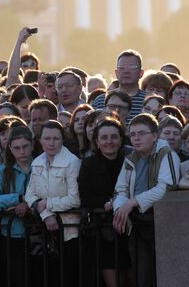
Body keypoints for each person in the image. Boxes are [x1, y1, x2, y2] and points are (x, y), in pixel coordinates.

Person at [112, 113, 180, 287]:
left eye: (141, 133)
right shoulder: (130, 159)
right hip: (138, 224)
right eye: (133, 134)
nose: (136, 138)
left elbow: (166, 187)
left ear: (155, 135)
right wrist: (121, 210)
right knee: (142, 277)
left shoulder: (167, 154)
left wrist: (132, 202)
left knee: (166, 276)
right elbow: (120, 190)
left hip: (163, 223)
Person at [24, 120, 81, 287]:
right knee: (47, 277)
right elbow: (30, 195)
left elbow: (75, 198)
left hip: (69, 231)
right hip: (45, 230)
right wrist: (46, 214)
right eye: (47, 138)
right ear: (40, 140)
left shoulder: (72, 162)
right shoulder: (37, 162)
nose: (51, 142)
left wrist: (47, 203)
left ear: (62, 139)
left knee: (68, 277)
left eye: (55, 138)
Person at [78, 117, 133, 287]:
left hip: (131, 230)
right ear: (96, 141)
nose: (109, 141)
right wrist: (107, 202)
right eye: (104, 137)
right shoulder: (88, 164)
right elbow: (85, 196)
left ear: (121, 139)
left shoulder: (130, 161)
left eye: (114, 137)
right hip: (104, 232)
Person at [0, 126, 34, 286]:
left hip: (40, 233)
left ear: (32, 145)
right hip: (12, 236)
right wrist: (18, 198)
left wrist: (27, 204)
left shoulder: (41, 166)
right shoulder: (2, 171)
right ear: (10, 149)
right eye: (17, 148)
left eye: (25, 146)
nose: (22, 152)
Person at [92, 50, 148, 122]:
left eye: (132, 67)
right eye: (122, 68)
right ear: (116, 73)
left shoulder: (148, 101)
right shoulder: (100, 100)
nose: (126, 71)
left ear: (141, 73)